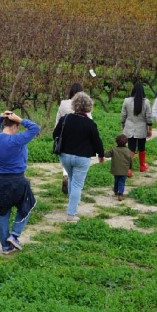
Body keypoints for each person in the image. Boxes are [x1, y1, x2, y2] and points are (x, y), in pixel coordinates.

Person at [0, 110, 40, 254]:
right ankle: (14, 235)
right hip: (17, 180)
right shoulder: (17, 140)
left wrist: (0, 116)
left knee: (2, 212)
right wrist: (21, 120)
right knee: (27, 206)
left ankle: (5, 246)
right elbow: (35, 128)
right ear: (15, 126)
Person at [52, 92, 105, 222]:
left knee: (71, 179)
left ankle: (72, 204)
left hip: (65, 156)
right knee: (76, 184)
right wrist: (101, 155)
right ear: (89, 106)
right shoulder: (90, 124)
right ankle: (71, 214)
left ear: (74, 104)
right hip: (82, 158)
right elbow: (97, 141)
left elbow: (55, 134)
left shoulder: (65, 119)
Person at [54, 83, 89, 195]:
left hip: (65, 135)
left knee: (66, 157)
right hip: (79, 136)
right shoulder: (84, 104)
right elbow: (89, 120)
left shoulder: (63, 103)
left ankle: (65, 175)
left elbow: (58, 119)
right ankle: (73, 183)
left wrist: (56, 133)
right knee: (77, 158)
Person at [121, 81, 153, 172]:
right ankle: (142, 165)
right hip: (141, 128)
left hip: (129, 127)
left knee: (131, 148)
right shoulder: (146, 102)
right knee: (141, 147)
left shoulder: (126, 101)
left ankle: (128, 169)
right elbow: (149, 117)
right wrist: (150, 129)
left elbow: (123, 115)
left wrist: (123, 126)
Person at [105, 134, 134, 201]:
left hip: (116, 169)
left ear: (116, 142)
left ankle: (115, 190)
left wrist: (102, 151)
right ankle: (120, 194)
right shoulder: (128, 151)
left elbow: (106, 155)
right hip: (124, 170)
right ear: (126, 142)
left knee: (116, 180)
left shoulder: (113, 149)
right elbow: (131, 160)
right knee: (122, 182)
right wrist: (130, 168)